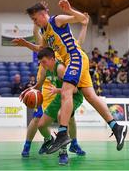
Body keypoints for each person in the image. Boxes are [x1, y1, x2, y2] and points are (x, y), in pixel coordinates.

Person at [13, 0, 127, 154]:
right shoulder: (45, 32)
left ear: (42, 14)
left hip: (75, 57)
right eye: (33, 20)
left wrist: (70, 10)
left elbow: (81, 19)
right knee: (90, 96)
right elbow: (42, 49)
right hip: (77, 60)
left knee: (66, 91)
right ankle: (117, 127)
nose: (35, 22)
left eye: (35, 19)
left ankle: (62, 134)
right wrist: (26, 44)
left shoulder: (56, 20)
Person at [21, 22, 88, 160]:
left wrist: (84, 26)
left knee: (63, 116)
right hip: (54, 91)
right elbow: (37, 43)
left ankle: (65, 150)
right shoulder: (46, 60)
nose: (42, 64)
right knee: (40, 122)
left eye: (44, 62)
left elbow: (74, 89)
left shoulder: (61, 61)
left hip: (69, 91)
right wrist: (28, 91)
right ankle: (48, 140)